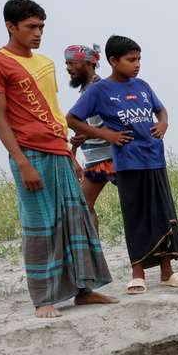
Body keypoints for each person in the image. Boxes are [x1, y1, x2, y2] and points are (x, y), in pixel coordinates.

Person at [0, 0, 115, 318]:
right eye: (31, 27)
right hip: (29, 153)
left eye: (41, 26)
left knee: (76, 220)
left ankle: (84, 290)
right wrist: (22, 161)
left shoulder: (45, 63)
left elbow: (54, 111)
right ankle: (43, 298)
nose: (38, 33)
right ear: (11, 27)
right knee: (40, 225)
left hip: (58, 151)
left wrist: (70, 153)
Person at [66, 36, 178, 295]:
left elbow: (161, 110)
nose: (137, 65)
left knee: (163, 216)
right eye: (131, 60)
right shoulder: (99, 91)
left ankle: (167, 271)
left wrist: (163, 123)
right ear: (113, 61)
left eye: (139, 59)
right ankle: (138, 273)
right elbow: (72, 119)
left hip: (155, 159)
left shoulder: (143, 86)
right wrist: (106, 136)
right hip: (127, 163)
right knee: (136, 218)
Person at [63, 44, 113, 223]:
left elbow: (118, 125)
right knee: (83, 206)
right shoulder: (86, 91)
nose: (68, 68)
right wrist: (74, 153)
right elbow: (83, 130)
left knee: (136, 203)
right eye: (66, 63)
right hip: (96, 161)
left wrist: (88, 135)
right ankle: (94, 250)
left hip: (113, 159)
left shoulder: (102, 89)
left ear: (89, 64)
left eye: (72, 63)